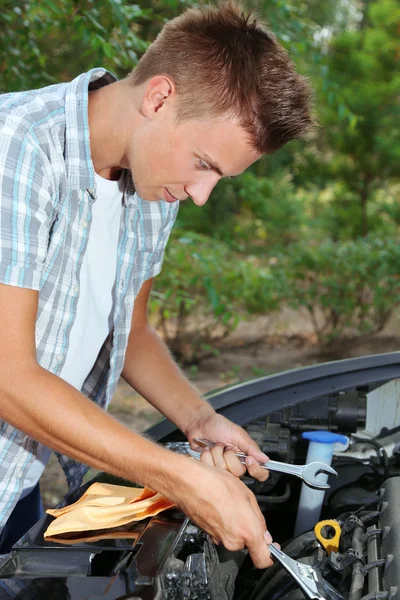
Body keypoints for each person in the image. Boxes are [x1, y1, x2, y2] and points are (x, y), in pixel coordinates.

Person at [0, 1, 313, 567]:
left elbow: (132, 330)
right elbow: (8, 376)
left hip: (17, 476)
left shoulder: (151, 182)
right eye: (204, 164)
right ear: (159, 97)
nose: (200, 194)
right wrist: (182, 480)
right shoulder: (16, 148)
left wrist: (200, 422)